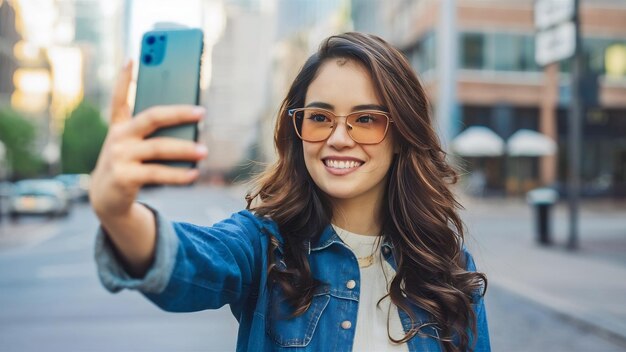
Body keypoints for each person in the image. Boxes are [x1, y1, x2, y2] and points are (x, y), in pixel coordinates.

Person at [90, 32, 490, 352]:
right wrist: (118, 214)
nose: (338, 138)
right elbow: (188, 261)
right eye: (319, 117)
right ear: (297, 131)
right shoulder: (265, 246)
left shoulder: (447, 266)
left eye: (365, 119)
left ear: (402, 135)